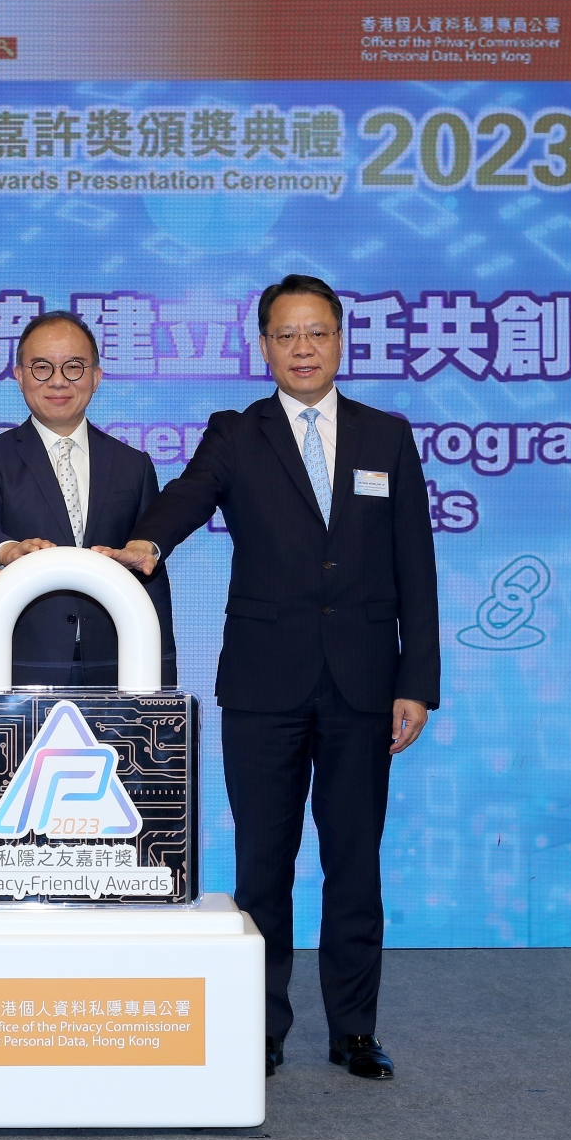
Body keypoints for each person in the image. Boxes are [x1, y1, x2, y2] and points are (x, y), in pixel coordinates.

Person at [97, 275, 439, 1081]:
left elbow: (415, 567)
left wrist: (415, 680)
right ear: (263, 346)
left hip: (362, 684)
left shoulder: (385, 436)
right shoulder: (237, 432)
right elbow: (187, 497)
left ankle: (355, 1030)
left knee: (355, 863)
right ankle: (260, 1028)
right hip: (262, 683)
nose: (303, 349)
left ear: (341, 340)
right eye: (286, 335)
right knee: (264, 864)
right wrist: (146, 545)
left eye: (317, 333)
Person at [0, 310, 177, 686]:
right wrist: (9, 551)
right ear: (20, 376)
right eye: (42, 367)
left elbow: (148, 567)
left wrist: (159, 673)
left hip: (121, 663)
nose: (58, 381)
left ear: (96, 377)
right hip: (26, 663)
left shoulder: (132, 465)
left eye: (73, 367)